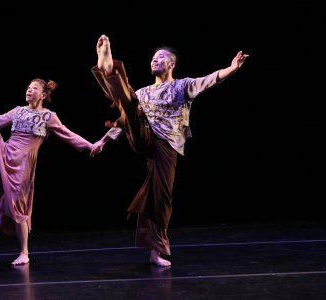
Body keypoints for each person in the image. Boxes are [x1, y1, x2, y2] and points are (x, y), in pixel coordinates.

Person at [90, 35, 249, 267]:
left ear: (171, 64)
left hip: (166, 145)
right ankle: (109, 68)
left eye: (160, 58)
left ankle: (156, 251)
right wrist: (103, 141)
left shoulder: (182, 85)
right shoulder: (143, 92)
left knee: (160, 198)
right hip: (144, 135)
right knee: (130, 101)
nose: (155, 61)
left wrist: (232, 69)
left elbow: (209, 80)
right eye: (153, 59)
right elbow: (126, 119)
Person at [0, 59, 96, 265]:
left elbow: (68, 135)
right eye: (28, 88)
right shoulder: (17, 110)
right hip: (7, 152)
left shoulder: (49, 116)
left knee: (19, 206)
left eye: (34, 89)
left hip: (23, 164)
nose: (29, 91)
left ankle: (24, 252)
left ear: (43, 95)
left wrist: (89, 145)